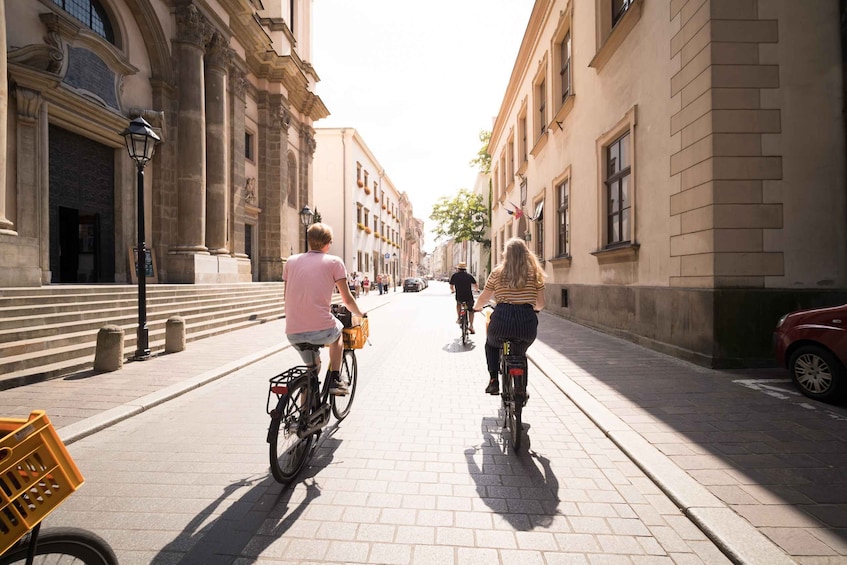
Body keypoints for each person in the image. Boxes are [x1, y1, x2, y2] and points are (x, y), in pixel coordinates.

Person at [283, 223, 365, 395]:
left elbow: (286, 296)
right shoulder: (334, 262)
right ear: (328, 243)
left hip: (293, 331)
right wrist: (360, 313)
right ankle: (335, 378)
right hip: (321, 328)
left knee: (311, 371)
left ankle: (301, 419)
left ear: (309, 241)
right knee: (339, 332)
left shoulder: (290, 262)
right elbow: (347, 298)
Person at [473, 238, 546, 395]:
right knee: (520, 351)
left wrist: (477, 307)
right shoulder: (535, 273)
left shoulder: (497, 272)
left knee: (491, 346)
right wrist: (533, 308)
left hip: (501, 321)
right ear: (526, 253)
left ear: (506, 254)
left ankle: (493, 381)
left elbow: (484, 298)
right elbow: (540, 303)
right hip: (526, 324)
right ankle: (521, 388)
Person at [449, 262, 478, 333]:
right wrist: (476, 290)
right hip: (468, 297)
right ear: (465, 269)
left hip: (459, 296)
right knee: (471, 310)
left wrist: (453, 291)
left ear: (458, 269)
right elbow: (475, 284)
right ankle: (471, 326)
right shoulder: (469, 276)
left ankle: (459, 318)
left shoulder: (455, 276)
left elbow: (451, 286)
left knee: (458, 304)